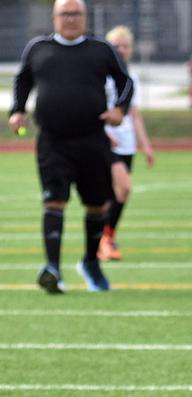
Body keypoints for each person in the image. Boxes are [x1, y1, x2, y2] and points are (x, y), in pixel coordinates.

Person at [8, 0, 133, 293]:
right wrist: (17, 110)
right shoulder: (38, 48)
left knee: (97, 205)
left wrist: (120, 110)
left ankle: (91, 262)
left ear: (85, 17)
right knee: (53, 201)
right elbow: (22, 80)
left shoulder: (101, 49)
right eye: (65, 14)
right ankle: (53, 269)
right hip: (53, 141)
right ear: (54, 17)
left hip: (92, 139)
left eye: (76, 14)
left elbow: (125, 82)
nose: (71, 19)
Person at [99, 25, 155, 262]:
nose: (121, 50)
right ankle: (104, 239)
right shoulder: (100, 76)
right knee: (121, 188)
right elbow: (93, 107)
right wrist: (102, 133)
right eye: (116, 46)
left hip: (126, 143)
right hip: (105, 142)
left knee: (118, 193)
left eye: (125, 46)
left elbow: (135, 115)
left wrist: (146, 145)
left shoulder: (131, 79)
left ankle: (106, 237)